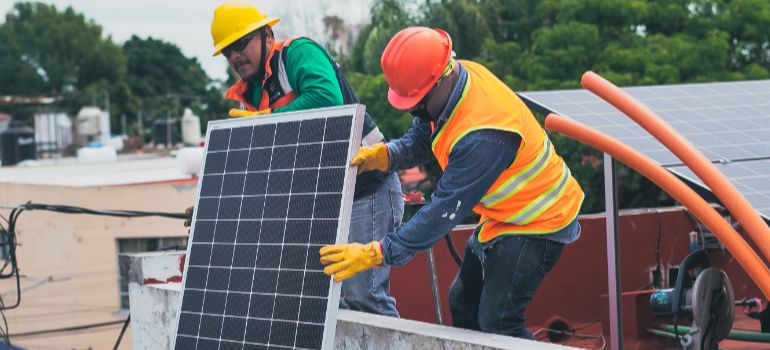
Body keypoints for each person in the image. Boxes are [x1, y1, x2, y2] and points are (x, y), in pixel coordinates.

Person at [320, 26, 584, 338]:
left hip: (540, 221)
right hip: (506, 215)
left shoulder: (484, 136)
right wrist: (387, 155)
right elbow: (424, 134)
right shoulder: (452, 83)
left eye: (418, 101)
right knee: (462, 302)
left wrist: (377, 252)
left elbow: (442, 211)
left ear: (441, 78)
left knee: (499, 320)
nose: (416, 110)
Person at [203, 0, 403, 317]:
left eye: (240, 44)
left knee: (364, 297)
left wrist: (270, 117)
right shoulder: (250, 94)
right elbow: (262, 161)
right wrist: (216, 202)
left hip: (367, 189)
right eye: (228, 51)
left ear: (267, 35)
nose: (235, 56)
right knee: (324, 301)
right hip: (322, 201)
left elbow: (327, 99)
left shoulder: (297, 54)